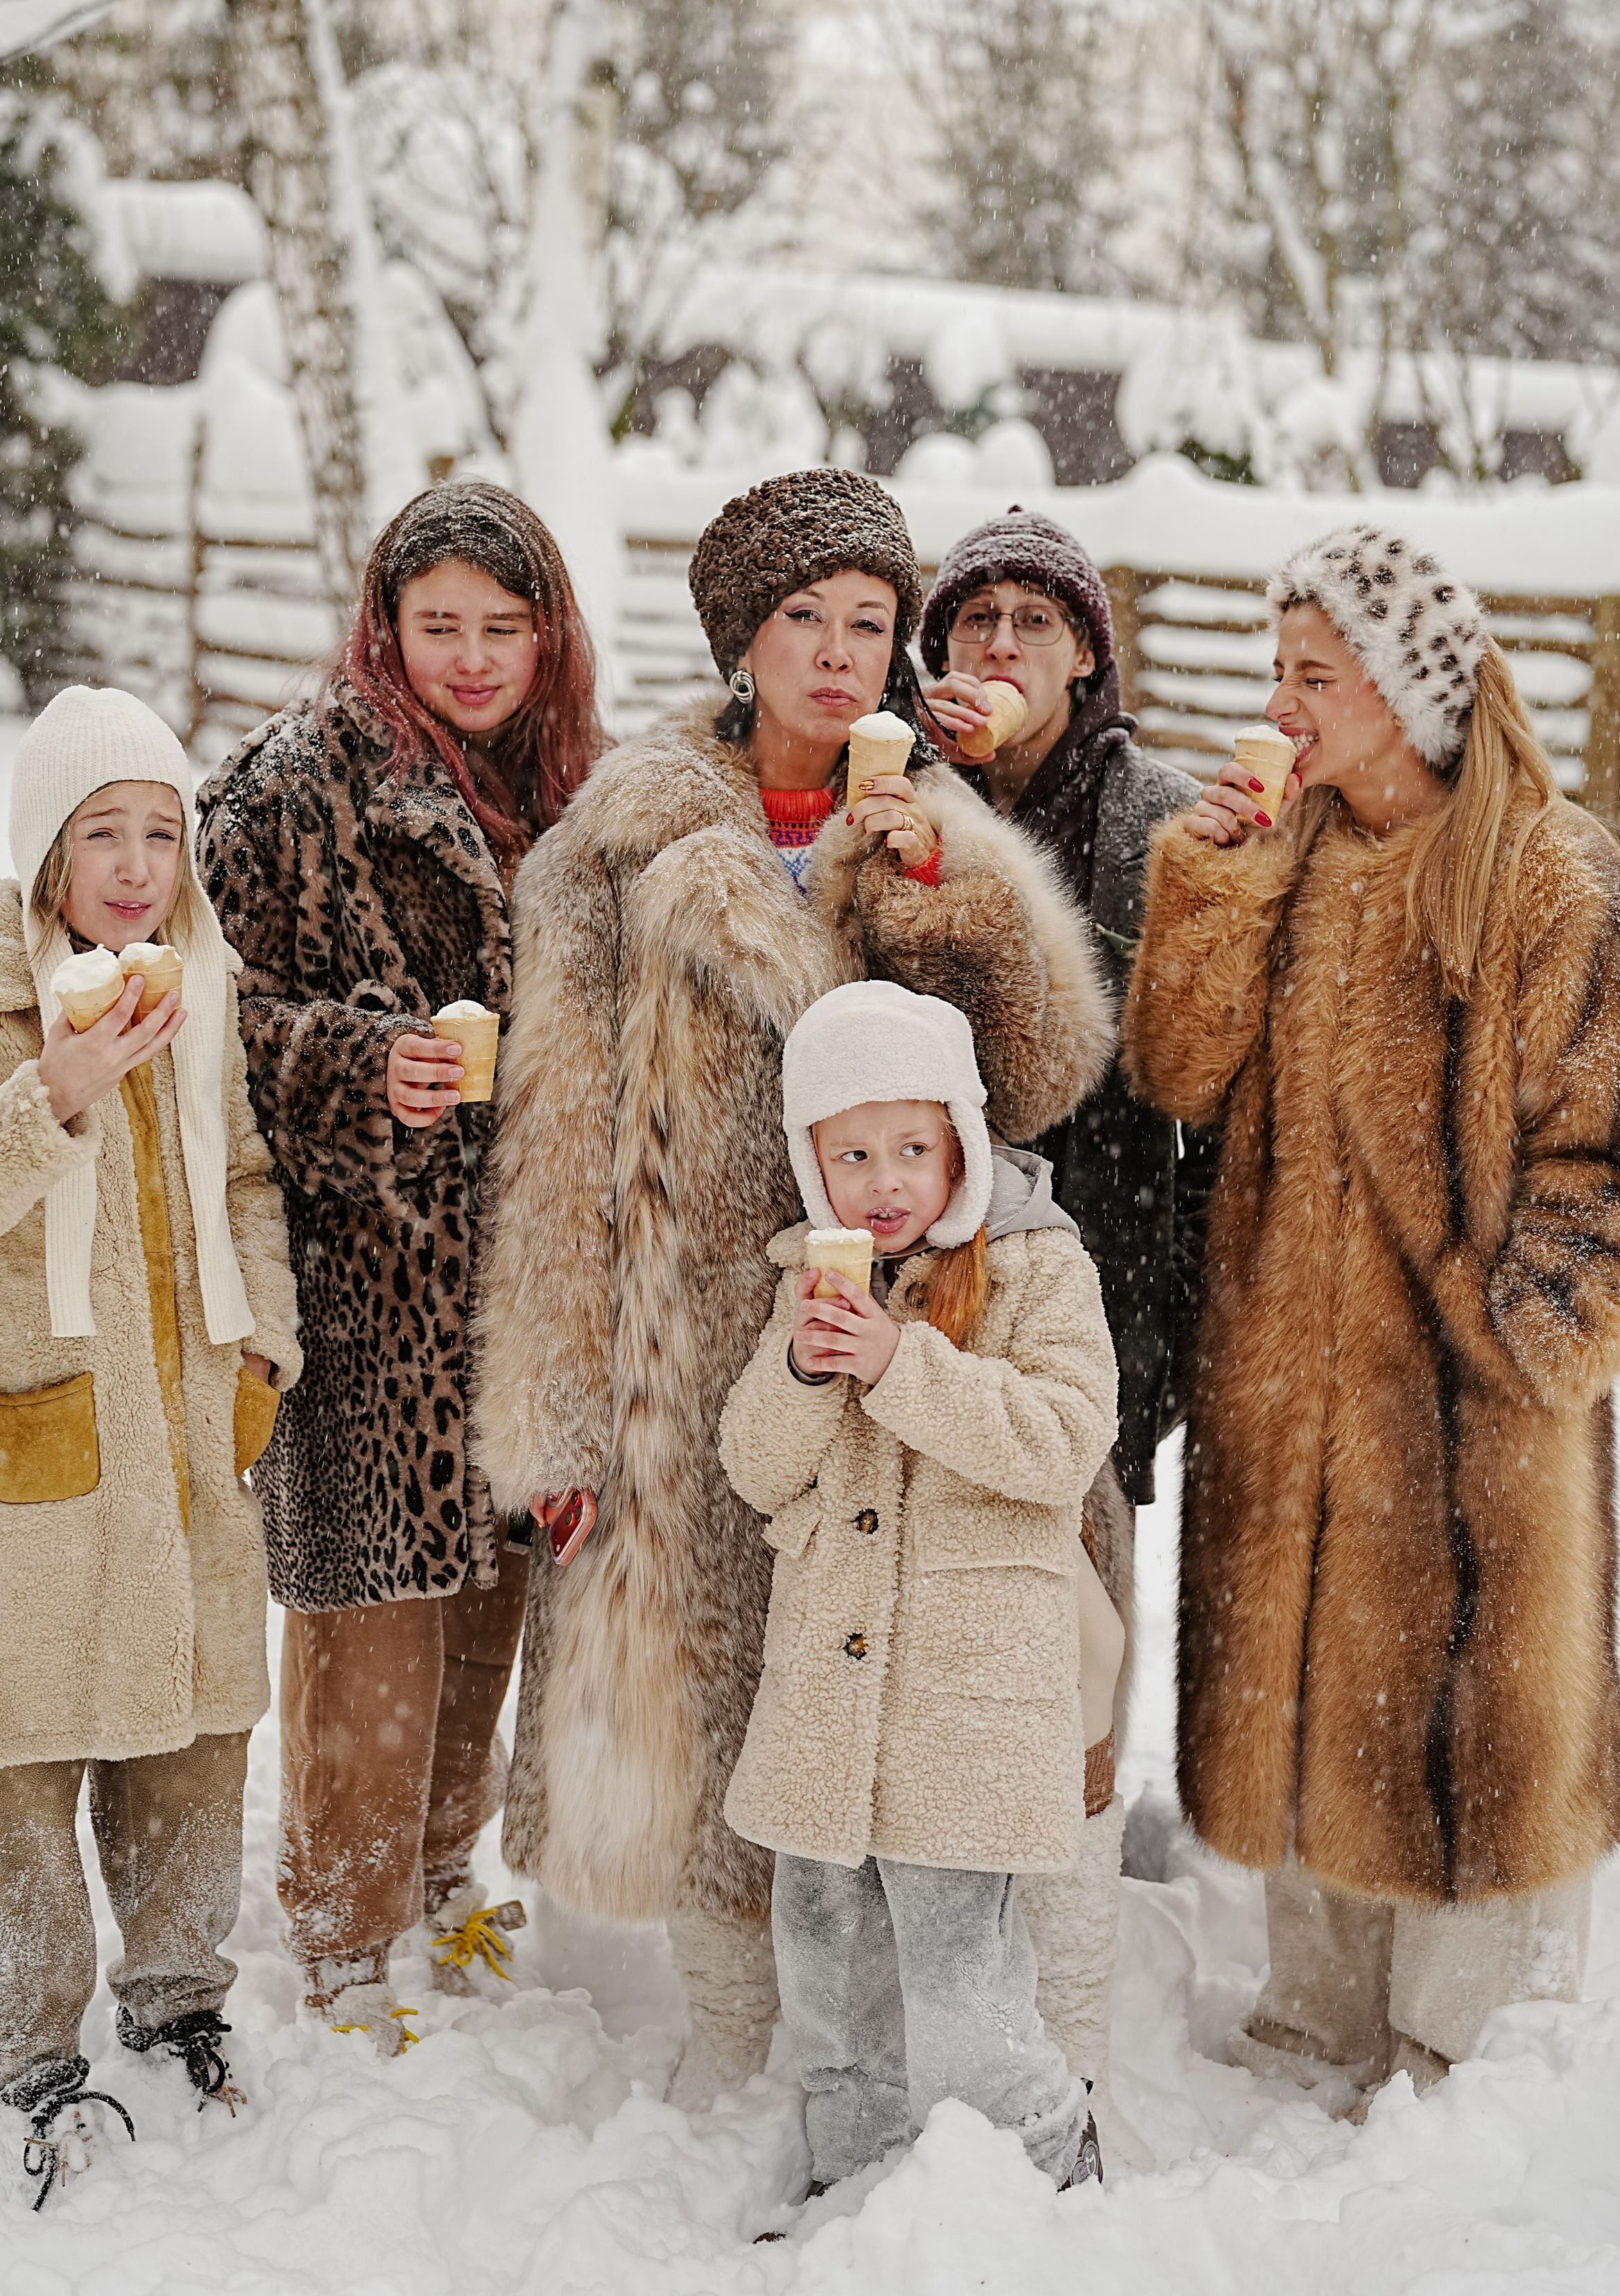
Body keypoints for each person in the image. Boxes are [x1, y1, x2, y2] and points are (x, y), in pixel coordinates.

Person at [470, 468, 1114, 2105]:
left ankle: (884, 2061)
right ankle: (739, 2054)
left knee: (871, 1719)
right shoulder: (612, 846)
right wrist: (556, 1420)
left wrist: (941, 905)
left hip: (892, 1341)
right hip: (683, 1354)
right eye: (802, 620)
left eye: (869, 622)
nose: (838, 653)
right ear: (739, 643)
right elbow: (551, 1151)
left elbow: (1036, 1081)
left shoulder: (934, 825)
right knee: (698, 1718)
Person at [1121, 523, 1620, 2099]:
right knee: (1302, 1696)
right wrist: (1212, 886)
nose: (1279, 704)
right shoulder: (1287, 854)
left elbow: (1599, 1142)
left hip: (1471, 1398)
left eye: (1313, 676)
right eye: (1275, 670)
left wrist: (1524, 1336)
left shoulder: (1543, 872)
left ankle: (1470, 2058)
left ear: (1407, 690)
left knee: (1472, 1717)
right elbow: (1176, 1072)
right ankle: (1317, 2016)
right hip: (1284, 1385)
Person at [0, 686, 300, 2207]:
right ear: (46, 845)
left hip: (189, 1439)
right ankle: (30, 2056)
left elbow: (245, 1181)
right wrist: (52, 1092)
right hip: (25, 1457)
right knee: (25, 1776)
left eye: (163, 834)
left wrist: (265, 1350)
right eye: (105, 833)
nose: (137, 867)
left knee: (194, 1746)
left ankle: (179, 2003)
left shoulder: (200, 988)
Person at [197, 481, 604, 2053]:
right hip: (365, 1281)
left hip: (519, 1277)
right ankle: (343, 1936)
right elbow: (214, 1014)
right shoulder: (291, 787)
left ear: (549, 636)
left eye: (504, 627)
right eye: (440, 626)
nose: (473, 658)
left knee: (485, 1606)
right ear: (386, 626)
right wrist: (361, 1067)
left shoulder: (573, 793)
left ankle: (441, 1876)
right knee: (369, 1621)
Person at [719, 982, 1117, 2208]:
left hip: (965, 1710)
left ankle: (1054, 2167)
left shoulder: (1039, 1268)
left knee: (961, 1991)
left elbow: (1064, 1439)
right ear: (811, 1161)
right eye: (851, 1156)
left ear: (961, 1147)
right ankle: (855, 2185)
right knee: (830, 1982)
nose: (884, 1182)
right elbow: (756, 1466)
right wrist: (802, 1370)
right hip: (828, 1715)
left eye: (911, 1149)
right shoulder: (809, 1283)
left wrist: (903, 1365)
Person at [918, 509, 1212, 2081]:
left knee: (1087, 1596)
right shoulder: (902, 792)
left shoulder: (1154, 817)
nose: (1001, 647)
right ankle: (941, 1911)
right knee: (940, 1589)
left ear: (1087, 653)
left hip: (1105, 1261)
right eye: (975, 621)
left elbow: (1189, 1074)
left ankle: (1076, 1953)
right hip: (924, 1251)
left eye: (1035, 622)